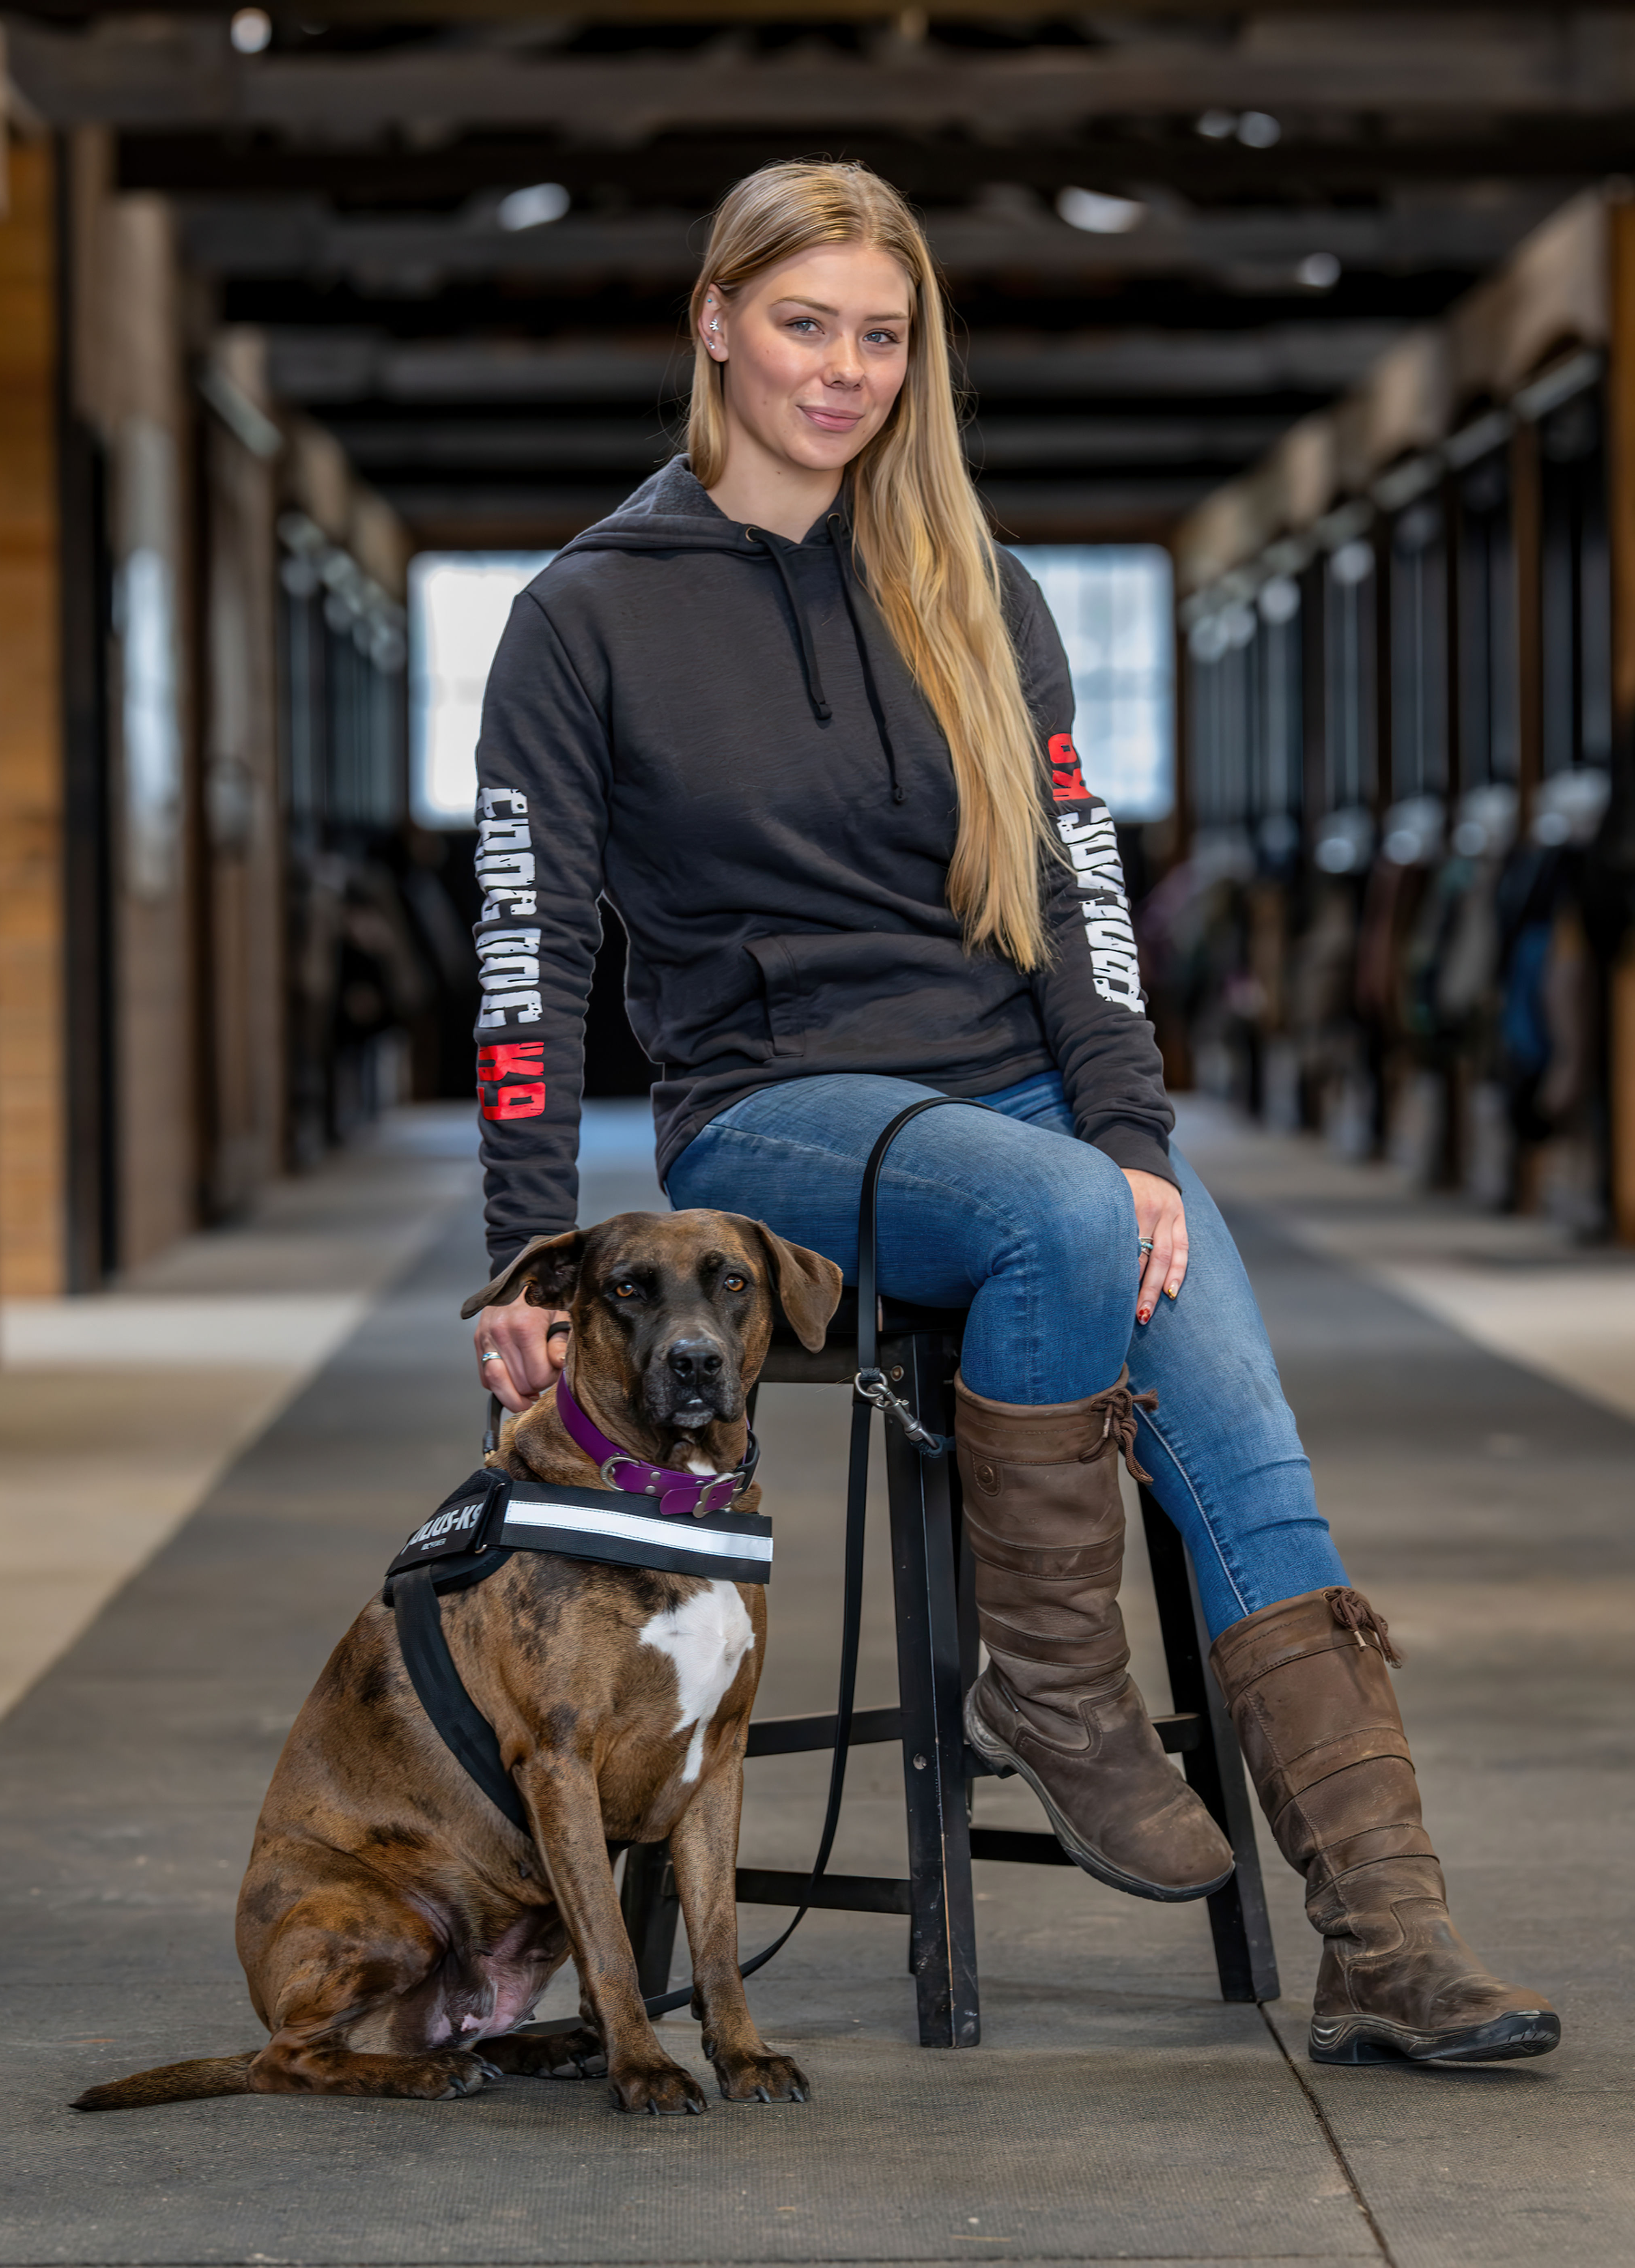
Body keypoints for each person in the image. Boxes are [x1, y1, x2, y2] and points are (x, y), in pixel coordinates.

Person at [465, 160, 1557, 2068]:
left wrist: (1133, 1140)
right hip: (773, 1115)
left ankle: (1385, 1933)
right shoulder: (585, 618)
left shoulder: (972, 587)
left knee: (1229, 1413)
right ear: (715, 322)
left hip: (1025, 1097)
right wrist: (525, 1248)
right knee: (1062, 1224)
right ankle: (1052, 1695)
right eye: (804, 324)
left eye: (881, 336)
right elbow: (525, 949)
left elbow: (1079, 901)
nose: (844, 370)